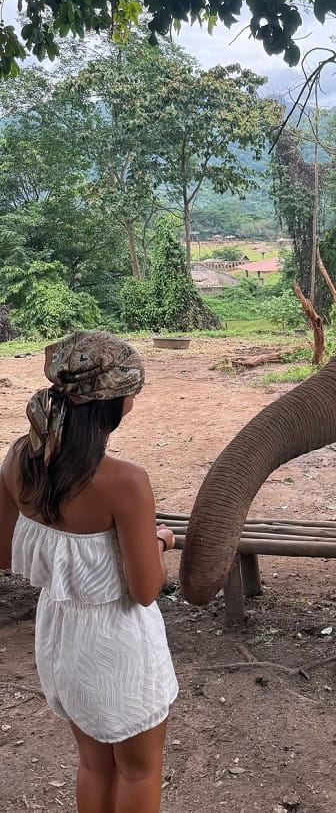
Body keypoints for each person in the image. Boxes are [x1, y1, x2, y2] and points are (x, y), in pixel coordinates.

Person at [0, 330, 178, 813]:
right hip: (116, 641)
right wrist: (159, 541)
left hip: (59, 634)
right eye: (131, 396)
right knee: (138, 770)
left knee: (94, 765)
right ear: (112, 404)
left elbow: (3, 552)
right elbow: (144, 591)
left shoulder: (19, 458)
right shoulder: (124, 481)